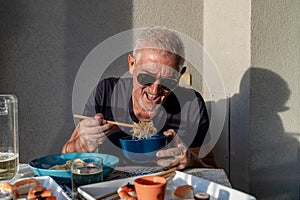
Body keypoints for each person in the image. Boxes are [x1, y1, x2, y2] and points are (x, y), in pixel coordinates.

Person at [62, 27, 217, 169]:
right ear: (132, 64)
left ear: (180, 75)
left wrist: (192, 161)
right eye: (146, 77)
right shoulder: (107, 93)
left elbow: (212, 169)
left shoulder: (191, 104)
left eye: (168, 82)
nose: (155, 90)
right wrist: (83, 144)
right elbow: (65, 158)